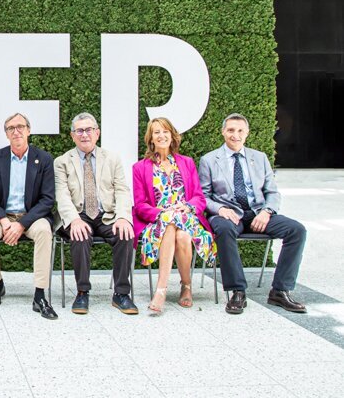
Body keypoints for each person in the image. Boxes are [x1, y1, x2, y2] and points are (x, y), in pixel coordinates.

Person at [199, 113, 307, 314]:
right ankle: (237, 291)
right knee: (223, 229)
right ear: (223, 132)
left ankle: (280, 290)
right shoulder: (209, 160)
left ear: (247, 133)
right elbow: (203, 197)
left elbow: (272, 192)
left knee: (297, 230)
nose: (235, 135)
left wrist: (267, 211)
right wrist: (221, 209)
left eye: (240, 131)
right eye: (231, 130)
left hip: (258, 213)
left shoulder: (260, 158)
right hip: (228, 214)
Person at [54, 112, 138, 315]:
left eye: (89, 130)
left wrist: (123, 217)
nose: (85, 134)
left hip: (106, 214)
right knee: (80, 235)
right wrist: (73, 220)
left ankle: (121, 294)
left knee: (124, 234)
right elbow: (62, 194)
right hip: (78, 213)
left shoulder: (112, 158)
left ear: (97, 133)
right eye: (79, 131)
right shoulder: (62, 161)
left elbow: (122, 190)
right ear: (72, 135)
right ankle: (82, 292)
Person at [132, 117, 216, 315]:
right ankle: (175, 288)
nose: (161, 136)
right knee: (173, 228)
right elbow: (140, 205)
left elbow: (199, 197)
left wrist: (188, 207)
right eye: (156, 132)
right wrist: (162, 212)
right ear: (150, 138)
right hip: (158, 222)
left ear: (172, 135)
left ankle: (175, 288)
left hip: (187, 219)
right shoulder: (140, 168)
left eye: (165, 131)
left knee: (183, 234)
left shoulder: (186, 163)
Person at [0, 113, 57, 319]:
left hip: (32, 217)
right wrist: (4, 221)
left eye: (20, 126)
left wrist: (22, 224)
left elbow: (47, 199)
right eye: (11, 128)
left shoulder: (44, 158)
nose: (16, 131)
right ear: (6, 134)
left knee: (43, 231)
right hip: (2, 216)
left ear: (29, 130)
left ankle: (40, 294)